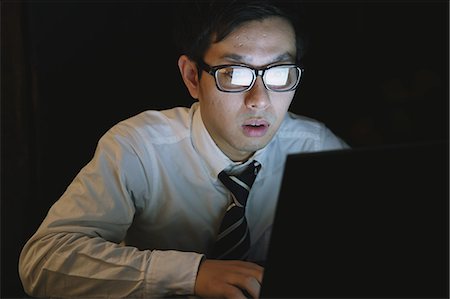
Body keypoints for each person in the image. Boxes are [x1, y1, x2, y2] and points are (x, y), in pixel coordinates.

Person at [19, 1, 348, 298]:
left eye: (278, 73)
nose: (259, 100)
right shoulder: (140, 147)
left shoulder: (315, 147)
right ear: (192, 77)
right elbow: (43, 261)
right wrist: (191, 274)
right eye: (233, 73)